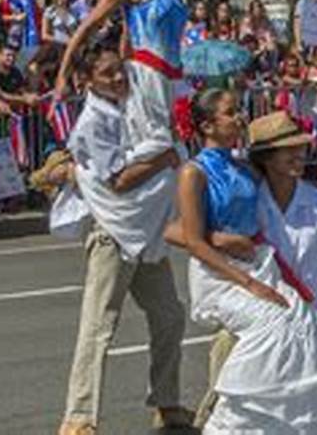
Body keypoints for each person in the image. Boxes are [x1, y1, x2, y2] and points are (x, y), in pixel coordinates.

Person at [168, 88, 317, 434]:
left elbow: (287, 173)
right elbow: (181, 234)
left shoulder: (243, 167)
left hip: (254, 264)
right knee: (279, 322)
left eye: (239, 109)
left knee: (300, 321)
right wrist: (226, 249)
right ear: (207, 125)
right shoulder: (192, 173)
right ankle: (226, 417)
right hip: (220, 273)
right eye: (231, 112)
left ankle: (289, 418)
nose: (240, 116)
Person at [58, 40, 190, 435]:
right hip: (113, 232)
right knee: (98, 327)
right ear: (86, 80)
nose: (118, 78)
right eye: (107, 73)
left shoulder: (132, 102)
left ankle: (166, 402)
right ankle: (79, 416)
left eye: (119, 69)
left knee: (169, 316)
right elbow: (118, 180)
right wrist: (164, 158)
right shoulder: (92, 122)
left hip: (145, 232)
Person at [56, 0, 193, 188]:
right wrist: (63, 74)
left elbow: (130, 35)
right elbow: (87, 27)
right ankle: (77, 176)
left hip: (172, 79)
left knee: (175, 161)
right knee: (157, 152)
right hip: (147, 77)